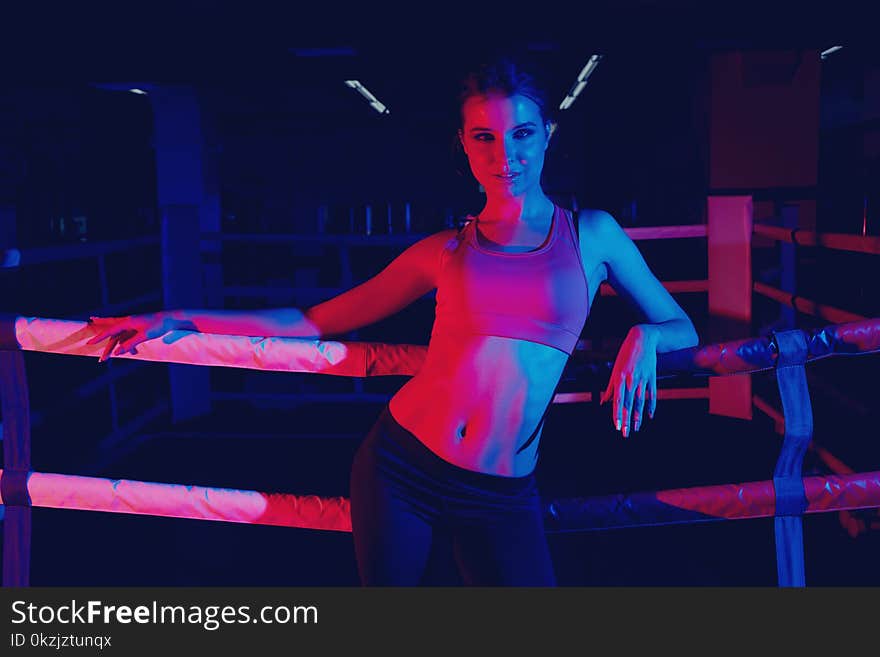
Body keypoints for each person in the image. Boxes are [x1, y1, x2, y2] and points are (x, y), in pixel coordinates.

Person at [87, 54, 699, 586]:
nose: (504, 155)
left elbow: (683, 328)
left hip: (503, 493)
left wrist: (643, 335)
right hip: (402, 468)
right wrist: (178, 318)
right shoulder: (446, 250)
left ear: (548, 135)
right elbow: (313, 321)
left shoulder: (592, 234)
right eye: (483, 137)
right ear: (463, 144)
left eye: (522, 134)